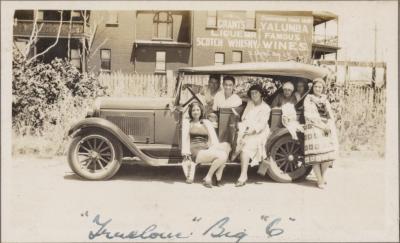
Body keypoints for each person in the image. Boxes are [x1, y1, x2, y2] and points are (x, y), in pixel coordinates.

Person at [181, 102, 231, 188]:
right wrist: (186, 154)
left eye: (197, 110)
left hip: (206, 149)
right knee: (223, 155)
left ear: (201, 111)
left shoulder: (206, 122)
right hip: (195, 151)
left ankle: (218, 172)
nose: (196, 112)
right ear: (190, 112)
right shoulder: (188, 123)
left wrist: (215, 148)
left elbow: (214, 138)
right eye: (193, 110)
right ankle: (211, 177)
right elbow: (184, 139)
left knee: (227, 146)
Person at [303, 78, 338, 189]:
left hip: (326, 128)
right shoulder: (308, 99)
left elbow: (330, 115)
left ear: (323, 89)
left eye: (320, 87)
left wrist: (329, 125)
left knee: (328, 155)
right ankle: (319, 180)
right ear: (312, 88)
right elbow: (309, 116)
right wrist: (322, 126)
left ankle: (321, 177)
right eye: (316, 87)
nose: (318, 89)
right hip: (314, 127)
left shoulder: (325, 100)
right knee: (316, 156)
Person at [234, 84, 271, 187]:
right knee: (238, 138)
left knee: (246, 146)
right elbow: (244, 117)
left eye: (256, 93)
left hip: (260, 131)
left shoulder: (266, 108)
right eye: (252, 93)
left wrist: (252, 131)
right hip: (247, 128)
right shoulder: (250, 103)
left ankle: (243, 175)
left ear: (261, 94)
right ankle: (235, 154)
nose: (254, 95)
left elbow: (262, 124)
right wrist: (246, 128)